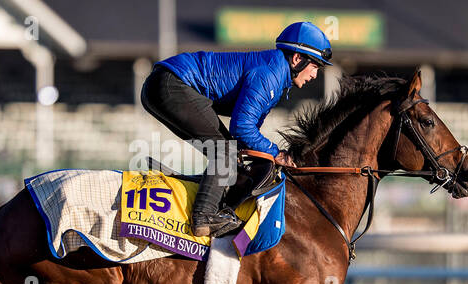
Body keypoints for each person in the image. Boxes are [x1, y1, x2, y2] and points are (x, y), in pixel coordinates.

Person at [139, 20, 333, 237]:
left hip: (163, 85)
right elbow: (241, 128)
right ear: (297, 59)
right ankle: (203, 216)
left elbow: (244, 135)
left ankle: (191, 190)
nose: (315, 75)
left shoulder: (277, 77)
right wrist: (276, 152)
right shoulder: (270, 74)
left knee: (230, 156)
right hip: (171, 84)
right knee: (224, 152)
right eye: (315, 66)